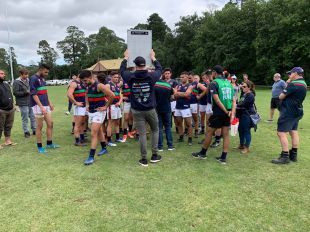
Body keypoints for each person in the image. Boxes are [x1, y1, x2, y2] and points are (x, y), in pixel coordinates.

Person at [120, 49, 162, 167]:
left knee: (142, 134)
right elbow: (159, 69)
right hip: (150, 109)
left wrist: (125, 58)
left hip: (137, 110)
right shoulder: (152, 76)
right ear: (145, 65)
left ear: (135, 65)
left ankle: (143, 159)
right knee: (155, 130)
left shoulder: (130, 76)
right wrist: (153, 58)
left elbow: (122, 70)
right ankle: (154, 155)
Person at [192, 65, 235, 164]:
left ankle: (202, 153)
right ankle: (223, 157)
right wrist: (231, 113)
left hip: (219, 112)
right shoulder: (229, 83)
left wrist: (225, 111)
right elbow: (234, 100)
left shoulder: (214, 83)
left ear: (215, 73)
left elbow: (217, 100)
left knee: (209, 132)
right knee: (226, 134)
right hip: (228, 112)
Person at [272, 67, 307, 164]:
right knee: (293, 131)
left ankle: (285, 156)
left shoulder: (293, 84)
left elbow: (281, 96)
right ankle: (293, 154)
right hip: (298, 110)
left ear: (296, 73)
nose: (289, 75)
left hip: (288, 111)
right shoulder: (304, 84)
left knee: (281, 132)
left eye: (290, 73)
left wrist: (288, 82)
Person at [81, 71, 115, 165]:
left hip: (99, 112)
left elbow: (112, 95)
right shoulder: (87, 86)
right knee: (99, 131)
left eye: (85, 80)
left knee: (93, 133)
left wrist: (105, 107)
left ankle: (91, 157)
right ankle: (104, 148)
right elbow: (86, 95)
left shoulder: (99, 86)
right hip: (92, 111)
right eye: (82, 81)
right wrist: (87, 104)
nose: (84, 82)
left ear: (90, 77)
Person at [30, 64, 59, 153]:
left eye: (47, 72)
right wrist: (41, 106)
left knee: (50, 124)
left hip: (45, 105)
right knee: (39, 126)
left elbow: (44, 92)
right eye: (45, 72)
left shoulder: (42, 79)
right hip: (37, 106)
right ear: (41, 70)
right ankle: (40, 147)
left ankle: (49, 143)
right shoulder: (33, 78)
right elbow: (34, 94)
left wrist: (49, 103)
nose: (47, 74)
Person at [13, 68, 36, 138]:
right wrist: (25, 93)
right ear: (21, 74)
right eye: (25, 74)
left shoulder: (28, 80)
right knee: (25, 118)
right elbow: (15, 93)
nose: (27, 76)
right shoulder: (16, 82)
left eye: (27, 74)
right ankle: (26, 132)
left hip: (30, 101)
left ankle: (34, 130)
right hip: (22, 103)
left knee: (32, 116)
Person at [155, 75, 175, 151]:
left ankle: (160, 146)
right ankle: (170, 145)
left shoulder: (154, 85)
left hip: (158, 109)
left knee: (159, 128)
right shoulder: (168, 85)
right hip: (167, 108)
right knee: (168, 127)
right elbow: (172, 97)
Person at [235, 80, 256, 154]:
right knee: (240, 130)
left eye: (244, 86)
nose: (242, 87)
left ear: (249, 87)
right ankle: (241, 145)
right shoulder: (244, 94)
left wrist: (235, 104)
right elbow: (240, 103)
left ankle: (247, 147)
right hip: (241, 115)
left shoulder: (250, 95)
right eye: (242, 86)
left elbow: (243, 105)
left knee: (246, 131)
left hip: (247, 115)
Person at [67, 73, 87, 146]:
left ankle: (82, 138)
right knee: (78, 124)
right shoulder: (74, 83)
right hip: (79, 106)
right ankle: (77, 141)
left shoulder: (83, 83)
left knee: (82, 123)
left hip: (84, 106)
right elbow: (69, 94)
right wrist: (76, 102)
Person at [174, 72, 193, 145]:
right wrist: (182, 94)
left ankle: (190, 138)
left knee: (188, 124)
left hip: (185, 107)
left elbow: (187, 94)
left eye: (183, 77)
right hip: (178, 107)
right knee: (179, 123)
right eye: (180, 77)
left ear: (187, 77)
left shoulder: (190, 86)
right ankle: (181, 137)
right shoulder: (178, 86)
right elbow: (174, 95)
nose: (181, 78)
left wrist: (178, 93)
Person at [0, 69, 16, 149]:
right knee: (0, 127)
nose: (3, 75)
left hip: (10, 109)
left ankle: (7, 141)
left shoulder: (6, 84)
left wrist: (13, 105)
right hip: (1, 110)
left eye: (3, 74)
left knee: (8, 126)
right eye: (1, 73)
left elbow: (10, 94)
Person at [106, 72, 123, 145]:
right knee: (110, 123)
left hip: (117, 106)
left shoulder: (117, 86)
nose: (116, 78)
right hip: (111, 106)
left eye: (117, 77)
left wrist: (119, 102)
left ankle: (117, 138)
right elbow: (103, 96)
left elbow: (121, 95)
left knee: (117, 122)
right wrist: (109, 103)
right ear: (111, 77)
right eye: (115, 77)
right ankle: (109, 141)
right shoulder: (107, 85)